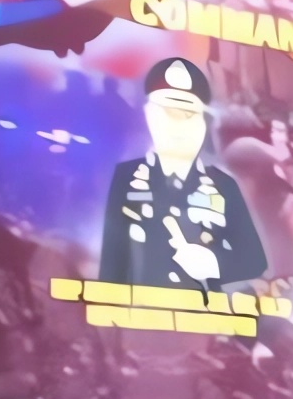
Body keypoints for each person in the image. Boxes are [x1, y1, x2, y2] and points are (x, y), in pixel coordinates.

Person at [100, 58, 269, 291]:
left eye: (190, 114)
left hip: (203, 311)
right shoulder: (127, 177)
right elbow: (112, 262)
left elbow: (254, 260)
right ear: (150, 115)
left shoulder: (223, 184)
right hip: (141, 309)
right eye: (170, 112)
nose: (180, 126)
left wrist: (213, 264)